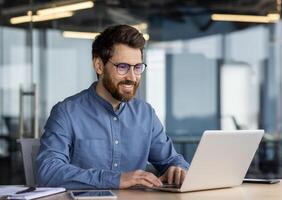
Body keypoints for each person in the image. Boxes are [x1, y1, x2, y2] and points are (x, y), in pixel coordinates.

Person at [36, 24, 189, 189]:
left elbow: (172, 160)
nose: (132, 77)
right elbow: (48, 171)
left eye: (137, 67)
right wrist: (115, 179)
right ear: (99, 66)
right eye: (122, 67)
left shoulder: (145, 114)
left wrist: (178, 170)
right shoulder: (66, 112)